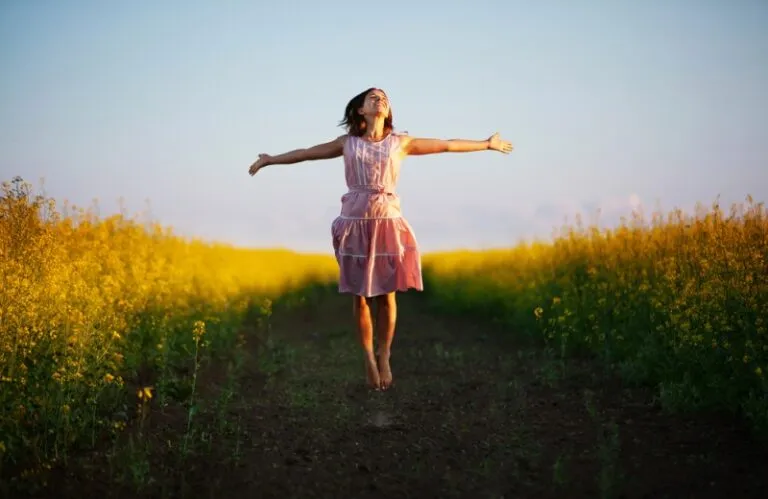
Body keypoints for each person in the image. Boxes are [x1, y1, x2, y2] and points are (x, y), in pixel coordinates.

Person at [248, 87, 513, 390]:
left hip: (387, 221)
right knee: (360, 297)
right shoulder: (347, 143)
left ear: (388, 112)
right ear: (360, 110)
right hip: (354, 222)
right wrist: (270, 159)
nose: (380, 100)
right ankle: (367, 358)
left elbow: (448, 145)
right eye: (373, 97)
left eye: (384, 98)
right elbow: (307, 153)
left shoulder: (400, 143)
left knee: (387, 293)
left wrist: (487, 144)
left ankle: (384, 354)